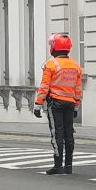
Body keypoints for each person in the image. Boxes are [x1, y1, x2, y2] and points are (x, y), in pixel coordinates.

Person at [34, 33, 83, 175]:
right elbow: (78, 88)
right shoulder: (75, 65)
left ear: (54, 47)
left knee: (57, 134)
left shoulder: (51, 64)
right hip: (70, 103)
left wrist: (38, 104)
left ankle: (57, 165)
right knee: (69, 134)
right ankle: (69, 165)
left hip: (55, 103)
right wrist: (76, 105)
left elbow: (44, 86)